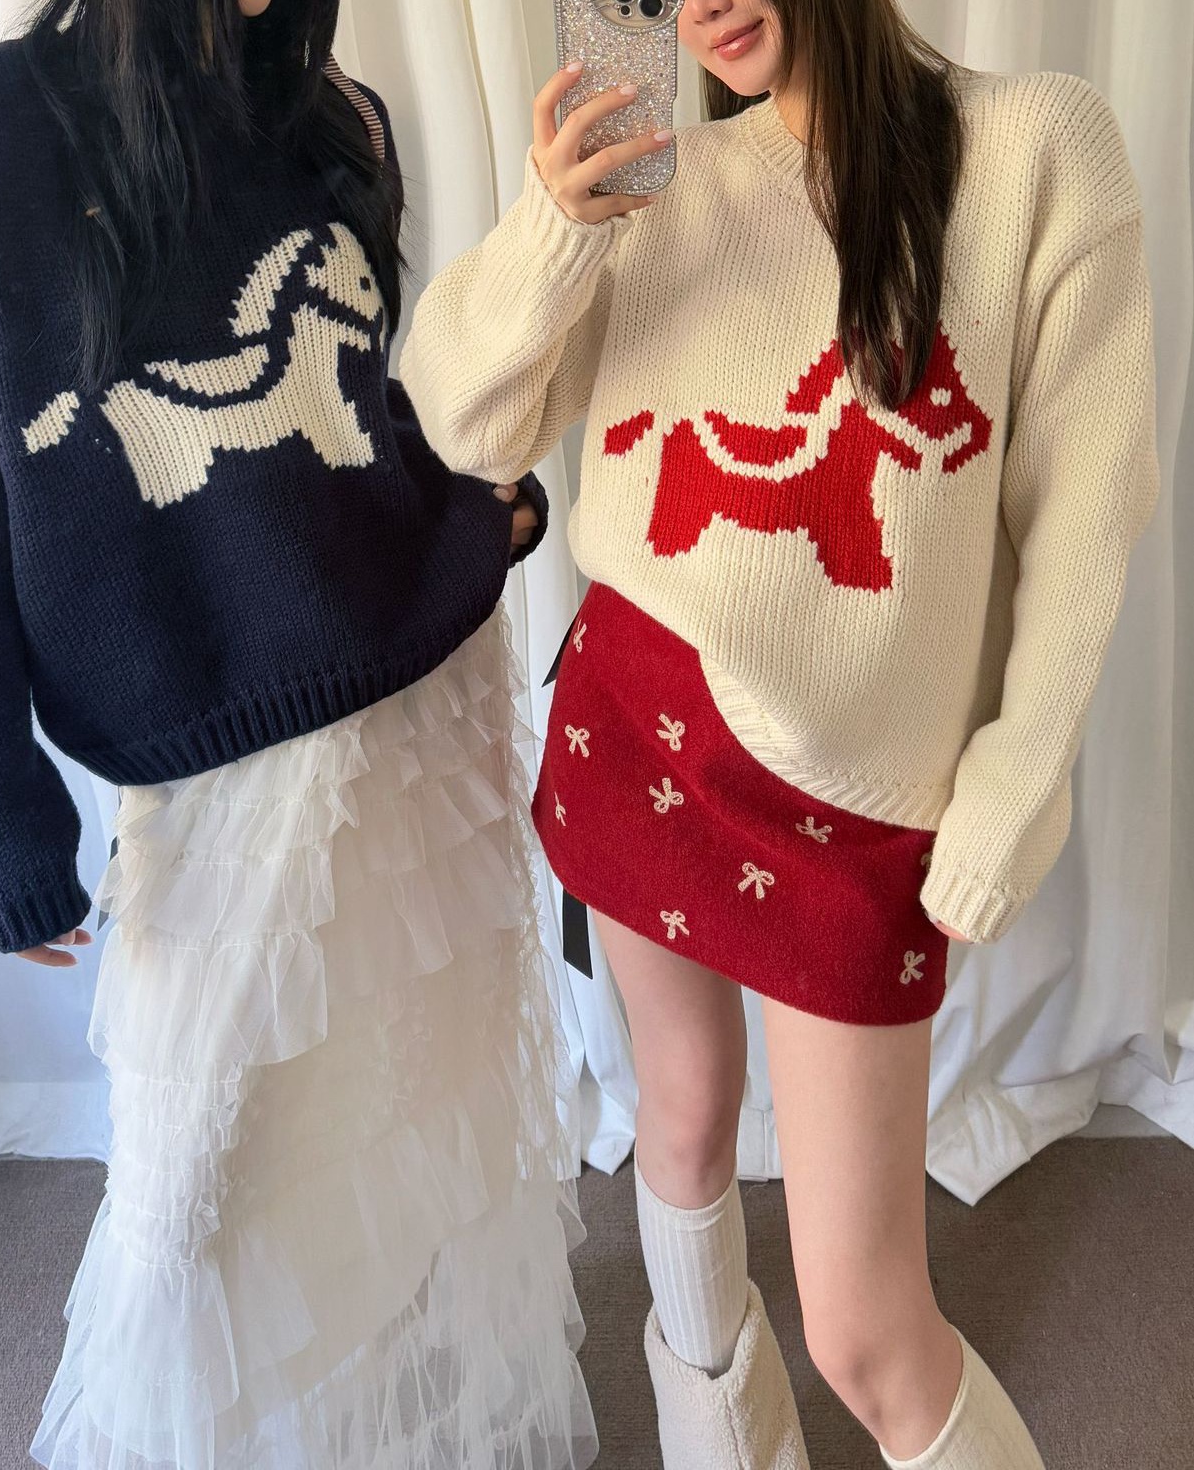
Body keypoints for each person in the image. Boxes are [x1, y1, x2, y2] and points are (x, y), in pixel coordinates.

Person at [399, 0, 1158, 1465]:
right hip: (635, 728)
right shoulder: (656, 179)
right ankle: (720, 1442)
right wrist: (557, 227)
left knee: (864, 1331)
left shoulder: (1035, 149)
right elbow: (465, 423)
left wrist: (1017, 777)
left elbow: (1085, 505)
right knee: (678, 1121)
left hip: (854, 801)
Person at [0, 2, 598, 1465]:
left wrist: (476, 519)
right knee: (198, 1187)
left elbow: (355, 422)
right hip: (209, 758)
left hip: (416, 705)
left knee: (402, 1118)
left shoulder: (339, 118)